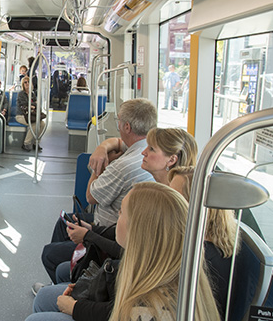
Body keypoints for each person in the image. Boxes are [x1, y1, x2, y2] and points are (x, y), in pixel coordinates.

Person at [28, 183, 220, 321]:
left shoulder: (149, 309)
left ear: (137, 230)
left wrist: (77, 308)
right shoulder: (164, 268)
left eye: (121, 213)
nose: (117, 218)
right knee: (46, 297)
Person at [37, 99, 156, 288]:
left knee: (49, 253)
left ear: (126, 126)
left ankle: (69, 286)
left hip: (107, 228)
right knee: (64, 222)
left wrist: (98, 167)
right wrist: (102, 148)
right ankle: (68, 275)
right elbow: (116, 142)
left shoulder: (123, 166)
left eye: (118, 121)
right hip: (113, 223)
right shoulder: (146, 147)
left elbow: (90, 197)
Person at [168, 166, 238, 318]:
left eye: (174, 197)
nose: (167, 202)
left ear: (197, 206)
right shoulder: (201, 244)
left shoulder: (203, 258)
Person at [16, 76, 46, 152]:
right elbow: (24, 105)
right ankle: (26, 143)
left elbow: (36, 105)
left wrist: (32, 106)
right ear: (23, 84)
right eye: (25, 82)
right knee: (34, 124)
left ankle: (36, 143)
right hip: (21, 116)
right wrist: (32, 105)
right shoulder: (21, 94)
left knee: (42, 124)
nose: (27, 84)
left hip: (31, 115)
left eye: (28, 82)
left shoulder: (32, 94)